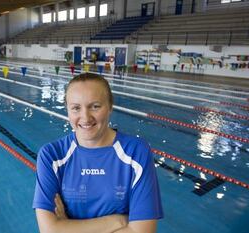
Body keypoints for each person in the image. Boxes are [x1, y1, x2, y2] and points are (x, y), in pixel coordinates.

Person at [33, 73, 163, 233]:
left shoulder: (136, 152)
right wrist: (116, 221)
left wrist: (67, 226)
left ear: (110, 106)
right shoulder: (52, 156)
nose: (85, 117)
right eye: (76, 108)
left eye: (95, 106)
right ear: (67, 109)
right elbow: (49, 230)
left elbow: (142, 231)